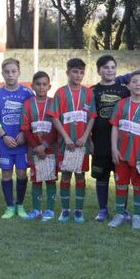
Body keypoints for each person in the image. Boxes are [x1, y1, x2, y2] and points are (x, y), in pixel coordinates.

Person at [108, 72, 140, 229]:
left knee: (138, 185)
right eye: (134, 81)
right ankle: (119, 214)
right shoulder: (121, 104)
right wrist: (114, 149)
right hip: (122, 153)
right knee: (121, 184)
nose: (137, 84)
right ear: (128, 86)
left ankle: (137, 216)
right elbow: (115, 127)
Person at [49, 58, 97, 223]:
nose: (78, 75)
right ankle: (65, 210)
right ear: (68, 72)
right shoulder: (60, 93)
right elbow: (55, 118)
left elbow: (92, 117)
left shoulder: (88, 93)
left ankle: (78, 211)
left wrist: (85, 136)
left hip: (81, 144)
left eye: (81, 72)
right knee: (66, 175)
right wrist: (66, 137)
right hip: (66, 143)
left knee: (80, 176)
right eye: (75, 72)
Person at [0, 58, 34, 219]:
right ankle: (9, 207)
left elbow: (33, 116)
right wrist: (4, 136)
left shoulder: (27, 93)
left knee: (22, 174)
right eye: (7, 72)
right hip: (5, 144)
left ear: (19, 73)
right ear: (2, 73)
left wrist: (24, 133)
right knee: (6, 174)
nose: (10, 75)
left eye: (13, 71)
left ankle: (20, 205)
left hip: (23, 143)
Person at [91, 55, 130, 222]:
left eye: (112, 67)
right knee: (102, 176)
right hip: (100, 140)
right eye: (106, 67)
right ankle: (102, 210)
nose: (110, 70)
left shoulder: (124, 91)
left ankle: (123, 210)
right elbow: (89, 117)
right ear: (99, 70)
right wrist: (89, 141)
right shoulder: (92, 91)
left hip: (122, 141)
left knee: (121, 176)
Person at [21, 71, 58, 221]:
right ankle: (36, 209)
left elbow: (56, 127)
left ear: (49, 86)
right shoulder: (28, 104)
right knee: (36, 179)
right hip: (34, 148)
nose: (41, 87)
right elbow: (25, 128)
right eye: (38, 84)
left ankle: (49, 210)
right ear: (32, 86)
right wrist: (37, 146)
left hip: (50, 148)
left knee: (50, 178)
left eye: (44, 84)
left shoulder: (54, 102)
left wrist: (45, 144)